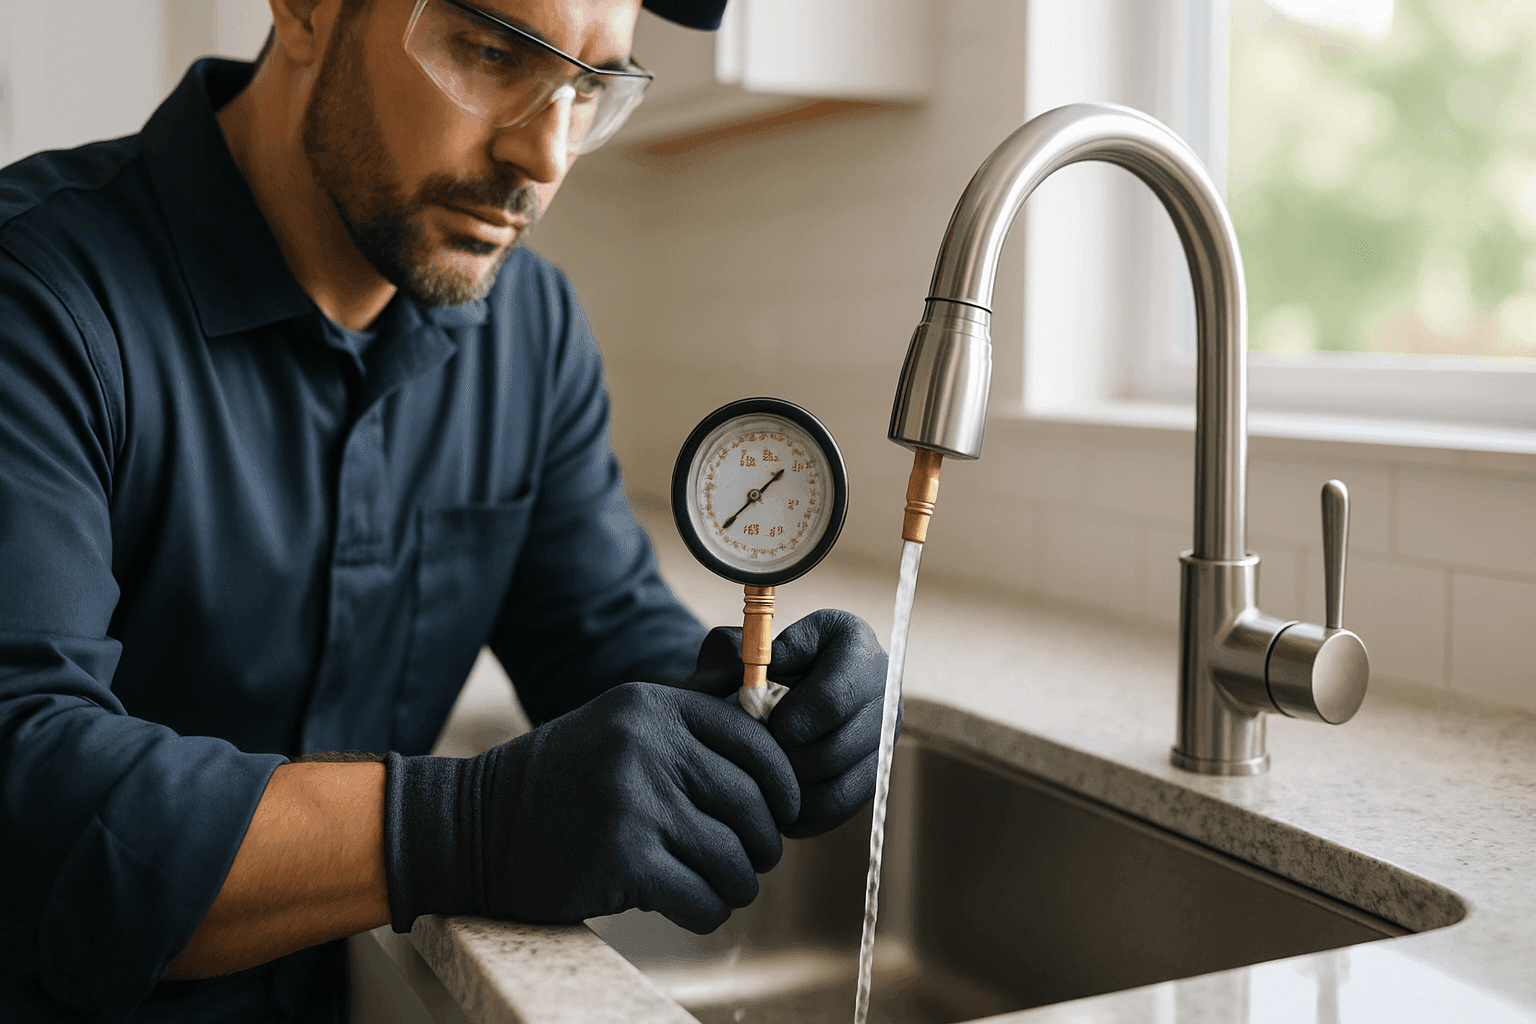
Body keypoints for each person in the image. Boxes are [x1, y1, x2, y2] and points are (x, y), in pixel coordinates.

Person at [0, 0, 890, 1019]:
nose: (544, 155)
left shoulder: (532, 332)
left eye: (590, 86)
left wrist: (755, 709)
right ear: (306, 11)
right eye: (494, 52)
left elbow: (597, 631)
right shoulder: (37, 298)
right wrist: (459, 827)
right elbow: (25, 786)